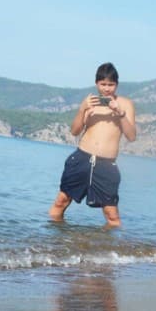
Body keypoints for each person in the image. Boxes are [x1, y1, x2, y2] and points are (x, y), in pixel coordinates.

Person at [49, 62, 136, 226]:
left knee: (112, 215)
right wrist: (82, 110)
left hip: (106, 164)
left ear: (117, 85)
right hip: (81, 157)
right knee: (61, 201)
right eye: (103, 84)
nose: (107, 89)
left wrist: (120, 113)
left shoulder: (125, 104)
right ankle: (54, 245)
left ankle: (106, 250)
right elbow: (74, 131)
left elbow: (131, 136)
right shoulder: (90, 102)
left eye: (111, 85)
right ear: (96, 83)